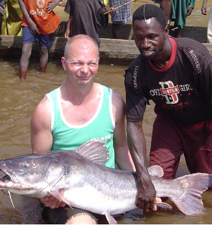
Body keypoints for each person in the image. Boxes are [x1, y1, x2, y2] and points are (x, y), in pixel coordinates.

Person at [124, 4, 212, 213]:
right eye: (139, 38)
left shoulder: (194, 56)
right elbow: (134, 124)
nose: (145, 44)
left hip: (203, 124)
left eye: (151, 36)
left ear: (166, 32)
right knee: (156, 186)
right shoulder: (135, 73)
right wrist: (143, 178)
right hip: (169, 122)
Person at [31, 34, 135, 224]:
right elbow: (39, 167)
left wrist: (142, 183)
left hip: (110, 192)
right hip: (67, 200)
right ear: (64, 63)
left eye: (91, 63)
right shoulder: (46, 111)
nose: (85, 70)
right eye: (77, 63)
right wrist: (45, 196)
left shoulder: (115, 102)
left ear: (98, 62)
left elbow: (121, 149)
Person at [18, 0, 61, 80]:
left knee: (43, 49)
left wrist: (55, 2)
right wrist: (29, 21)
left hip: (46, 21)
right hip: (29, 20)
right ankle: (22, 80)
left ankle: (42, 75)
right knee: (25, 50)